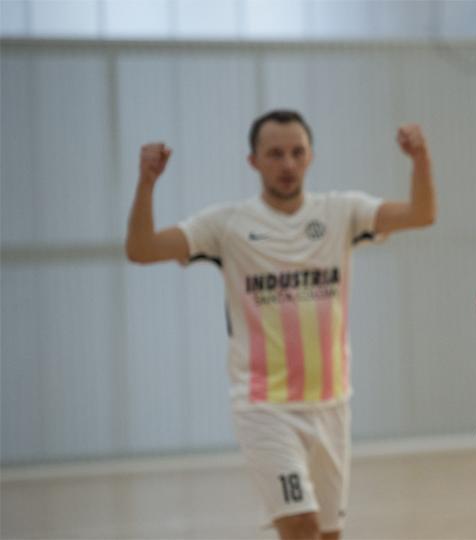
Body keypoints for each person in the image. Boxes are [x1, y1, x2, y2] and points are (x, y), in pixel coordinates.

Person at [125, 111, 436, 540]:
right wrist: (147, 182)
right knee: (301, 526)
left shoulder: (341, 212)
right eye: (275, 154)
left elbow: (421, 214)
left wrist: (419, 157)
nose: (287, 164)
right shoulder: (226, 224)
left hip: (332, 404)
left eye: (296, 153)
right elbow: (141, 249)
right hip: (264, 407)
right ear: (253, 161)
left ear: (310, 157)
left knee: (326, 534)